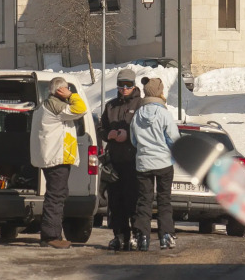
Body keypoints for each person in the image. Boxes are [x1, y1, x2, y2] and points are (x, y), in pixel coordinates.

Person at [30, 76, 88, 249]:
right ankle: (50, 236)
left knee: (58, 194)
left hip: (54, 156)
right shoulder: (56, 106)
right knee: (55, 196)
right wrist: (71, 95)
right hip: (56, 158)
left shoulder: (46, 105)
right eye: (66, 89)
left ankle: (53, 233)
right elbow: (81, 109)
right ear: (61, 90)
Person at [131, 77, 180, 251]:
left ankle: (142, 237)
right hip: (163, 162)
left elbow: (134, 140)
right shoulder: (164, 113)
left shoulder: (137, 114)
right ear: (159, 92)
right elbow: (173, 139)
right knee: (164, 200)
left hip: (143, 163)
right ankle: (166, 236)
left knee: (144, 200)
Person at [98, 67, 142, 251]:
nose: (124, 88)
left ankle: (138, 236)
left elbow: (146, 132)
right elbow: (101, 128)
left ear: (133, 85)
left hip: (134, 162)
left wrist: (129, 136)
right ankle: (119, 236)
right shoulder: (111, 105)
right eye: (121, 84)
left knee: (134, 201)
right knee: (115, 203)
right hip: (114, 161)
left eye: (128, 85)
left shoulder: (141, 105)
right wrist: (110, 135)